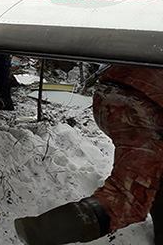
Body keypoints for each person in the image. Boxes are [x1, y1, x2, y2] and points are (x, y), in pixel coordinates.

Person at [14, 66, 163, 245]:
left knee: (152, 177)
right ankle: (40, 231)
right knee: (127, 198)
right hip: (139, 103)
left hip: (115, 91)